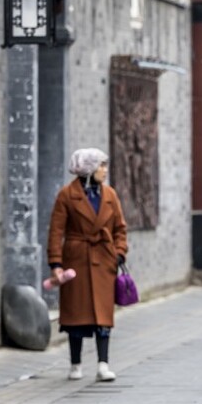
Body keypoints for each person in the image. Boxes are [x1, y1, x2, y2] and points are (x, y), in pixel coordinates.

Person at [47, 148, 128, 382]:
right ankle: (75, 364)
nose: (105, 170)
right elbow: (56, 232)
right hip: (76, 261)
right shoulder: (66, 195)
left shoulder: (110, 195)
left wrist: (119, 253)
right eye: (101, 165)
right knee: (75, 315)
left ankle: (103, 364)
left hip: (104, 259)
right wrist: (56, 263)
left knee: (103, 315)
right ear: (89, 169)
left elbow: (120, 228)